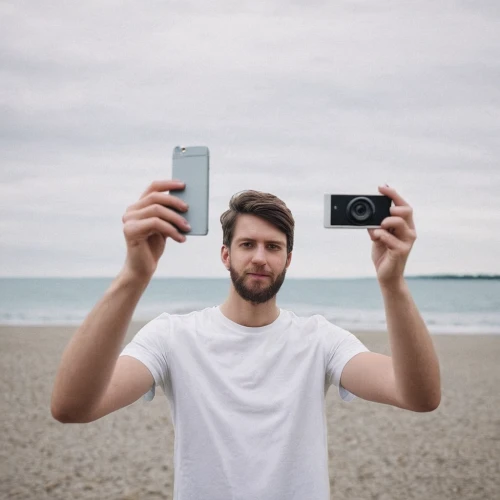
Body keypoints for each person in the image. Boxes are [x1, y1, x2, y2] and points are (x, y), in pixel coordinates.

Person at [51, 179, 441, 500]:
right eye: (247, 244)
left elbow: (418, 397)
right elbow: (72, 406)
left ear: (288, 259)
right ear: (225, 254)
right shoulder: (173, 336)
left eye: (273, 247)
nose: (260, 257)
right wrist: (133, 276)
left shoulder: (320, 340)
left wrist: (393, 285)